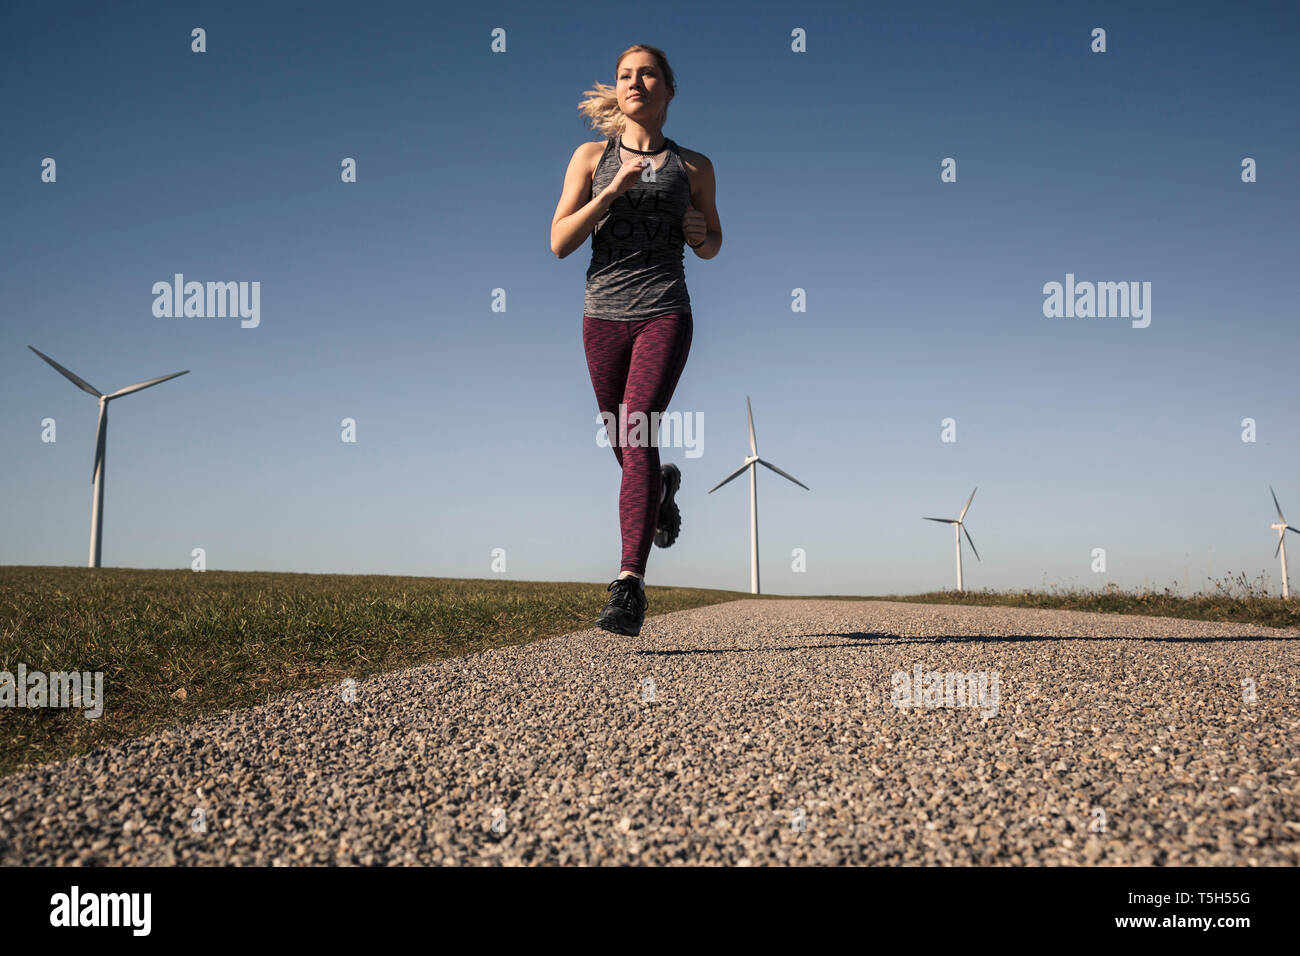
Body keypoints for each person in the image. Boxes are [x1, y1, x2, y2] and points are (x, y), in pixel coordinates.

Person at [550, 44, 722, 636]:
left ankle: (628, 585)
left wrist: (699, 234)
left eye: (647, 74)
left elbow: (713, 242)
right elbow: (559, 241)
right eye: (625, 75)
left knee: (637, 425)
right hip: (602, 315)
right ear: (617, 90)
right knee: (623, 442)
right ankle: (663, 486)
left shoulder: (693, 166)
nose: (635, 83)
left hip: (664, 311)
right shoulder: (591, 156)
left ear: (668, 90)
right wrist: (610, 194)